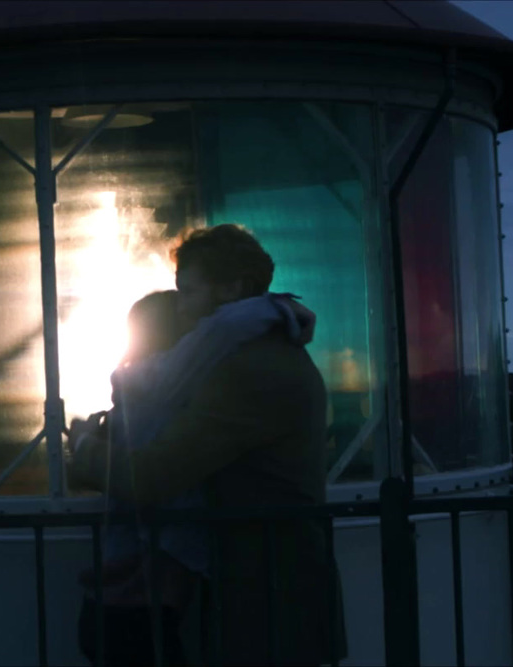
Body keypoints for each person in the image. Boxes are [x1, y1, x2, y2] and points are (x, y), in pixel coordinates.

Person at [69, 224, 347, 666]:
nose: (179, 309)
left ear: (232, 288)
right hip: (268, 589)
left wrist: (84, 450)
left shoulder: (249, 370)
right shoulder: (260, 353)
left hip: (268, 596)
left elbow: (155, 475)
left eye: (187, 292)